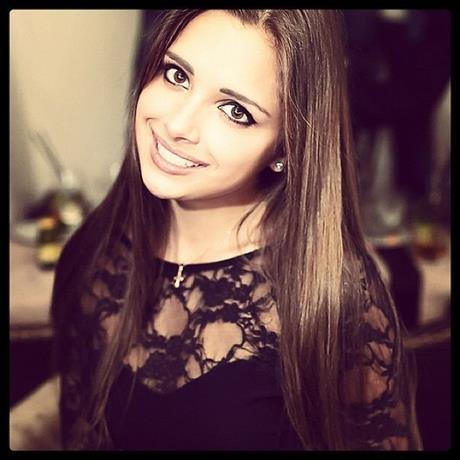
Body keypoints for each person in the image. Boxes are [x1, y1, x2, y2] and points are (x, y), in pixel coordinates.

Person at [50, 9, 423, 450]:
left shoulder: (336, 299)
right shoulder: (96, 252)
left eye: (235, 111)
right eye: (177, 75)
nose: (177, 125)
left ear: (285, 147)